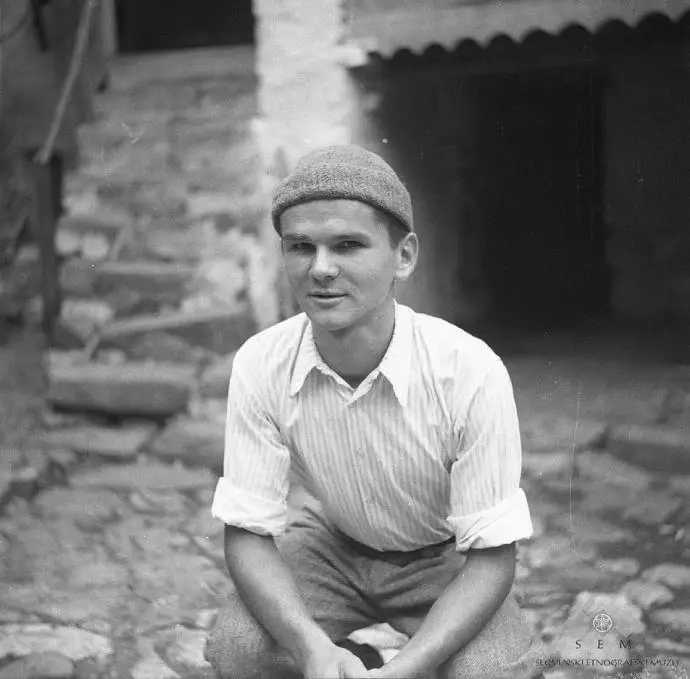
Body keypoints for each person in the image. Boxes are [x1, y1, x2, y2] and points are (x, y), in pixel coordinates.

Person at [205, 145, 543, 679]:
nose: (320, 269)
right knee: (238, 649)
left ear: (403, 257)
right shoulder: (262, 363)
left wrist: (411, 665)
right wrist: (310, 647)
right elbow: (247, 532)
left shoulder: (468, 370)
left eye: (347, 245)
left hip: (444, 558)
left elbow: (493, 556)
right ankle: (348, 661)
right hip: (332, 547)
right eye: (300, 247)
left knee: (492, 670)